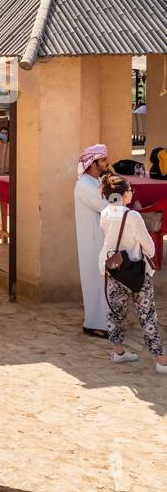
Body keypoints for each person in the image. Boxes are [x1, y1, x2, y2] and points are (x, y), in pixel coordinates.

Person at [99, 173, 167, 372]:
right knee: (147, 315)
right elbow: (149, 246)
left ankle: (118, 351)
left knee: (114, 312)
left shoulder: (105, 213)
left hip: (113, 269)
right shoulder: (133, 216)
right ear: (122, 194)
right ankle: (161, 359)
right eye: (130, 190)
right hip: (136, 271)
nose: (131, 193)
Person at [74, 144, 111, 337]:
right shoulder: (85, 185)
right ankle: (94, 324)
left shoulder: (95, 181)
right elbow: (107, 206)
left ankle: (106, 322)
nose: (107, 163)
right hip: (92, 242)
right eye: (104, 160)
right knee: (94, 283)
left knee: (103, 282)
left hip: (100, 241)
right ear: (93, 163)